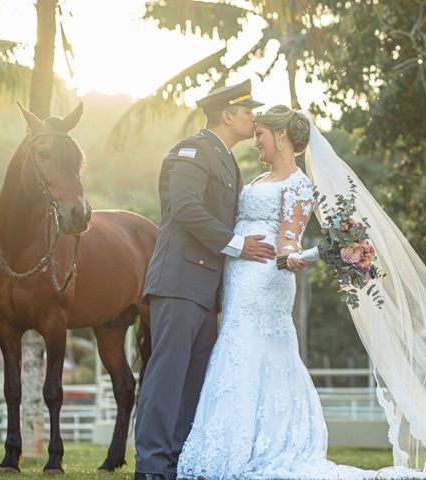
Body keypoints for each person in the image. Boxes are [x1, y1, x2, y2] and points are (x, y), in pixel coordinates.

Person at [176, 106, 407, 479]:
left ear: (280, 136)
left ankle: (258, 447)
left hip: (267, 278)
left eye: (260, 135)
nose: (255, 142)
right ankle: (225, 447)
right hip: (238, 278)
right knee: (235, 348)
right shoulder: (257, 180)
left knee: (252, 349)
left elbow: (288, 240)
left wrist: (299, 257)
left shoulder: (298, 185)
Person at [134, 80, 277, 480]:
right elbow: (185, 208)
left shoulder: (227, 160)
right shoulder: (192, 151)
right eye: (247, 111)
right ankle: (150, 467)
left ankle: (175, 462)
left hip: (205, 290)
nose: (253, 117)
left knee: (192, 382)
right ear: (227, 115)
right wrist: (237, 244)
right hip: (179, 281)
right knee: (166, 378)